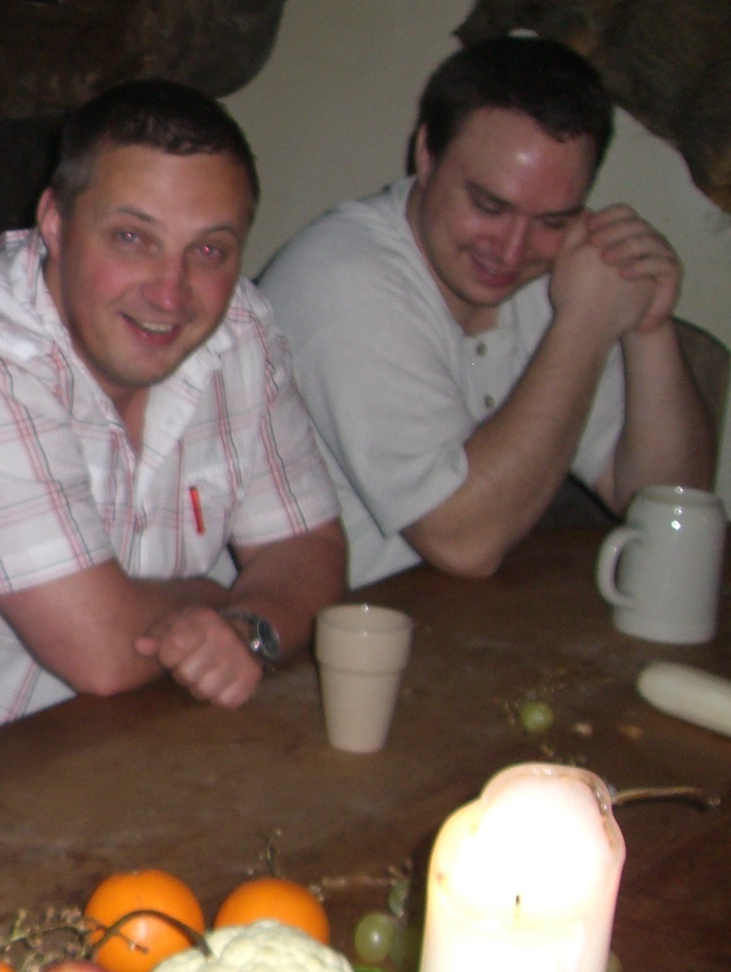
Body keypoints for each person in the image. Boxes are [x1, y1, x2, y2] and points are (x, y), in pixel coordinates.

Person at [0, 80, 346, 728]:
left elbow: (309, 545)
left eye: (208, 251)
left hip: (142, 741)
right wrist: (214, 600)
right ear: (55, 222)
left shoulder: (239, 328)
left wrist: (248, 628)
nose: (170, 294)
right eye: (131, 238)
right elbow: (100, 652)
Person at [259, 37, 713, 587]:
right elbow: (463, 542)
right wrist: (585, 327)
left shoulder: (557, 271)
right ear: (426, 155)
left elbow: (669, 508)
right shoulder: (339, 280)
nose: (512, 251)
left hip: (445, 611)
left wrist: (648, 324)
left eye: (552, 221)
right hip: (307, 624)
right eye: (489, 205)